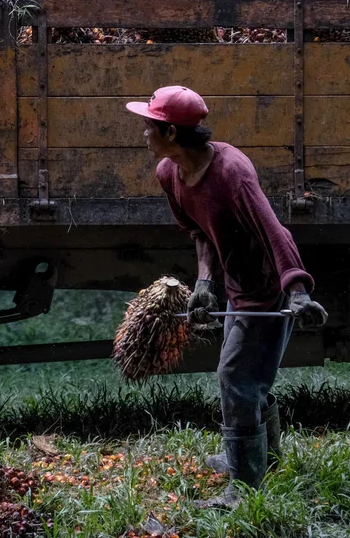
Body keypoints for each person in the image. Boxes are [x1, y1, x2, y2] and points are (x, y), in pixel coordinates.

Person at [125, 85, 327, 508]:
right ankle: (259, 457)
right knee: (245, 376)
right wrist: (204, 282)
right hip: (235, 284)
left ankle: (246, 488)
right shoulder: (170, 173)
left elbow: (277, 231)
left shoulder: (232, 171)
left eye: (149, 128)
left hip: (267, 290)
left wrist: (297, 291)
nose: (144, 135)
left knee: (236, 380)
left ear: (173, 134)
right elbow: (200, 231)